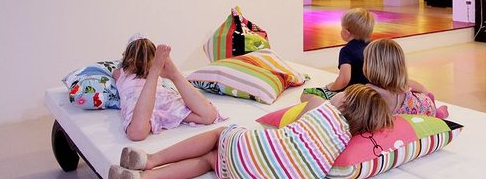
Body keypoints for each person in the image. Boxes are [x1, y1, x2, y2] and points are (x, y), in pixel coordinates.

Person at [108, 84, 393, 179]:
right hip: (264, 175)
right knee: (211, 160)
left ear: (344, 100)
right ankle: (145, 178)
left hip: (252, 151)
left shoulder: (322, 106)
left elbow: (307, 97)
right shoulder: (346, 138)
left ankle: (150, 160)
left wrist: (325, 96)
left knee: (219, 135)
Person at [114, 34, 222, 141]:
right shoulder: (121, 72)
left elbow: (209, 116)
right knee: (137, 132)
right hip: (146, 101)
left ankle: (170, 74)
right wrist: (154, 69)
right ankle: (169, 73)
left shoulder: (120, 73)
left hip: (155, 99)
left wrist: (162, 71)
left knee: (209, 115)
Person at [363, 38, 449, 118]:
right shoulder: (400, 82)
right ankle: (431, 102)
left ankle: (436, 110)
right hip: (422, 105)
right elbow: (422, 89)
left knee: (429, 104)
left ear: (372, 66)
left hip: (425, 109)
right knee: (423, 95)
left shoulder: (371, 90)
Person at [301, 8, 375, 100]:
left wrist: (331, 88)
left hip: (352, 95)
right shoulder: (373, 47)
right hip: (371, 94)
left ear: (346, 33)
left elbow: (344, 79)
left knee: (306, 94)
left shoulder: (347, 51)